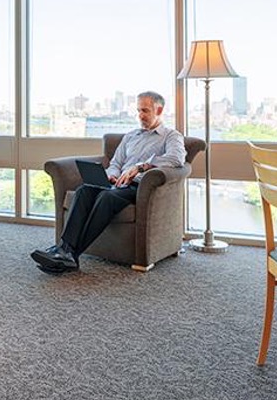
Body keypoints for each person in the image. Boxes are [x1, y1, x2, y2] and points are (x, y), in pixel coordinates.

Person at [31, 90, 186, 274]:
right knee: (84, 190)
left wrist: (141, 166)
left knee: (107, 196)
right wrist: (111, 174)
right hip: (116, 183)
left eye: (145, 111)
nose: (140, 116)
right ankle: (65, 249)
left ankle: (69, 254)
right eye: (138, 111)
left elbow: (177, 159)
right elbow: (116, 163)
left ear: (159, 110)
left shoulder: (171, 136)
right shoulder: (130, 136)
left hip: (138, 187)